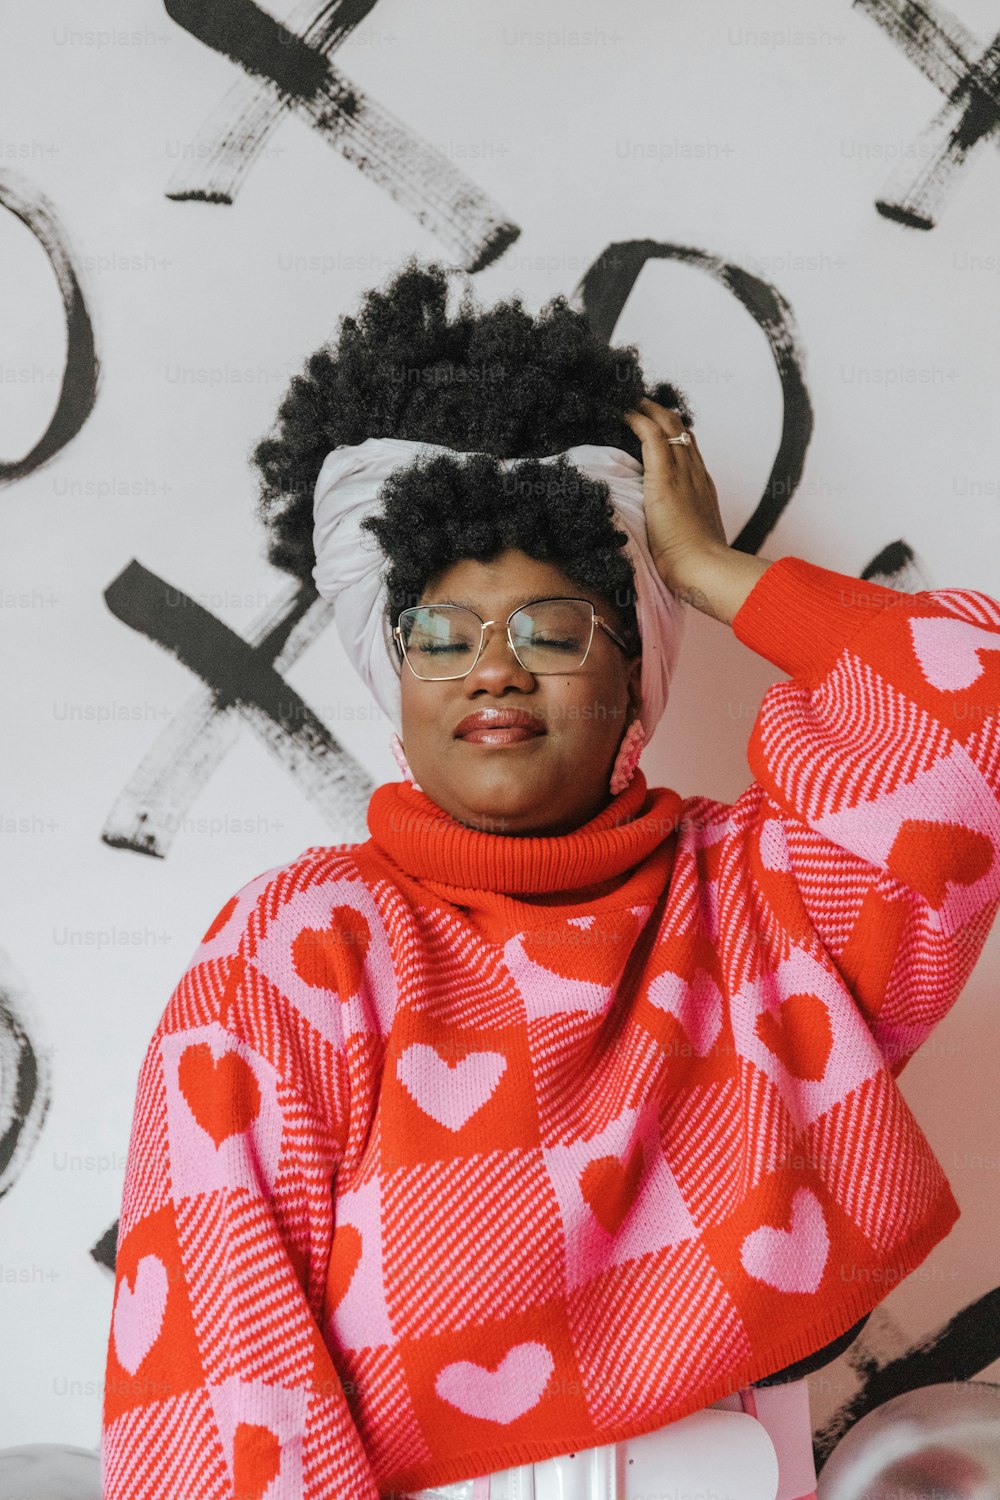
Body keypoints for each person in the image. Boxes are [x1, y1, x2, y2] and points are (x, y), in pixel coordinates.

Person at [101, 258, 1000, 1500]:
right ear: (391, 671)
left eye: (553, 626)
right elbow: (218, 1403)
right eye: (441, 633)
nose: (493, 672)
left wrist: (707, 568)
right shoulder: (298, 954)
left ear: (635, 664)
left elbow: (969, 709)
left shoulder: (762, 905)